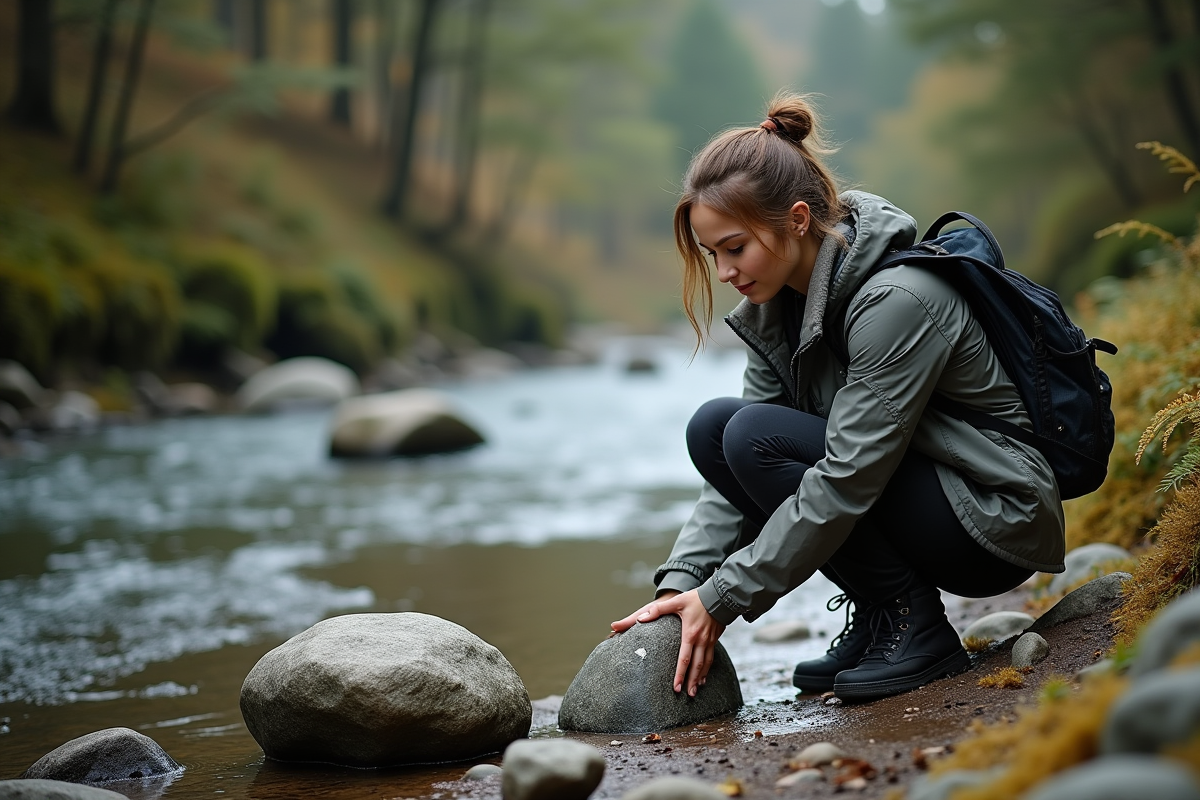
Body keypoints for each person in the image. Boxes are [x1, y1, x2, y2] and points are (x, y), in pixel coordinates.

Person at [610, 92, 1064, 702]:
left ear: (797, 219)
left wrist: (723, 598)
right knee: (716, 428)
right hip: (924, 492)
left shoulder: (895, 301)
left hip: (992, 515)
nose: (723, 273)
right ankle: (883, 616)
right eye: (712, 254)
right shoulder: (777, 311)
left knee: (751, 436)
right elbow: (734, 478)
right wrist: (682, 584)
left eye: (735, 247)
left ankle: (912, 626)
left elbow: (847, 475)